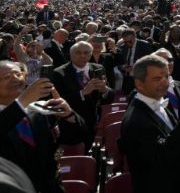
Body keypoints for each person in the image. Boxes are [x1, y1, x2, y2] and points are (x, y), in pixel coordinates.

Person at [119, 54, 180, 193]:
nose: (164, 82)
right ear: (139, 84)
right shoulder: (136, 120)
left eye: (167, 77)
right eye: (157, 79)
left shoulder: (159, 102)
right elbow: (161, 158)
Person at [0, 61, 88, 193]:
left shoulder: (39, 111)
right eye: (7, 77)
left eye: (18, 74)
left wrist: (68, 115)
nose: (15, 79)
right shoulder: (20, 108)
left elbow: (75, 138)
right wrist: (22, 102)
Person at [50, 40, 113, 138]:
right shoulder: (59, 73)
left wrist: (104, 90)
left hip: (96, 120)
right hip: (72, 122)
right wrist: (82, 93)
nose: (82, 56)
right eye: (78, 52)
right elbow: (57, 100)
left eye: (86, 53)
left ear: (91, 54)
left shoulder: (98, 68)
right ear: (71, 54)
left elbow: (110, 95)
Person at [116, 28, 154, 95]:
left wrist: (136, 67)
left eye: (130, 41)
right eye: (125, 42)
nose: (127, 43)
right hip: (127, 79)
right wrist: (123, 68)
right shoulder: (123, 47)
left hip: (141, 78)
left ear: (135, 36)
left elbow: (151, 60)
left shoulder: (144, 45)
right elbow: (119, 62)